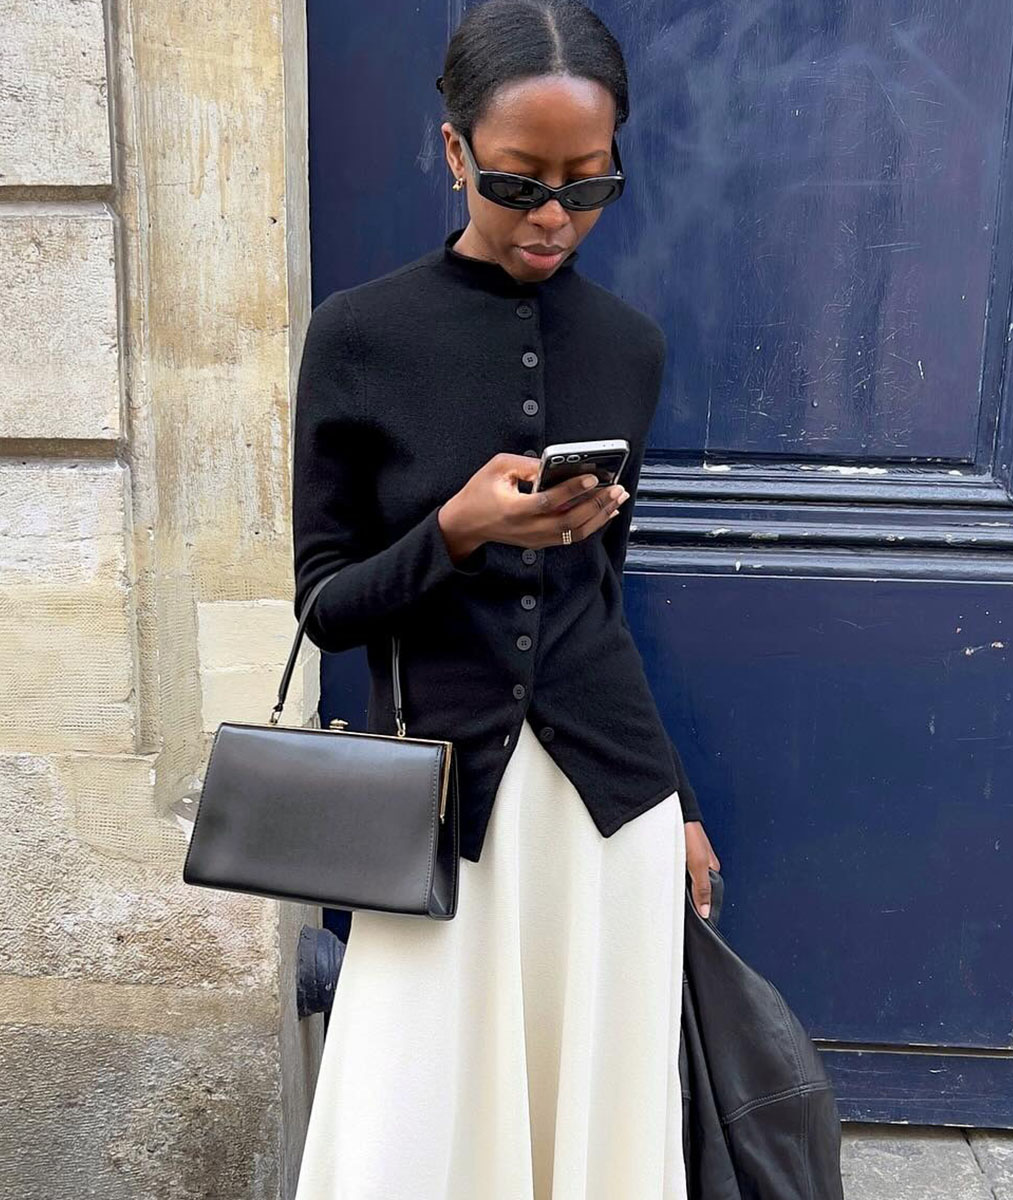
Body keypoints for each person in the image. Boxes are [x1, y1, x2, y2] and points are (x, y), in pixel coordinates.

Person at [291, 2, 722, 1196]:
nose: (552, 219)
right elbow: (326, 605)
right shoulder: (359, 338)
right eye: (520, 183)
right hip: (442, 813)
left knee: (597, 1131)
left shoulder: (629, 345)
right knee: (417, 1128)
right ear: (451, 152)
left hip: (608, 806)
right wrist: (457, 532)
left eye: (589, 188)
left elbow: (605, 607)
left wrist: (675, 802)